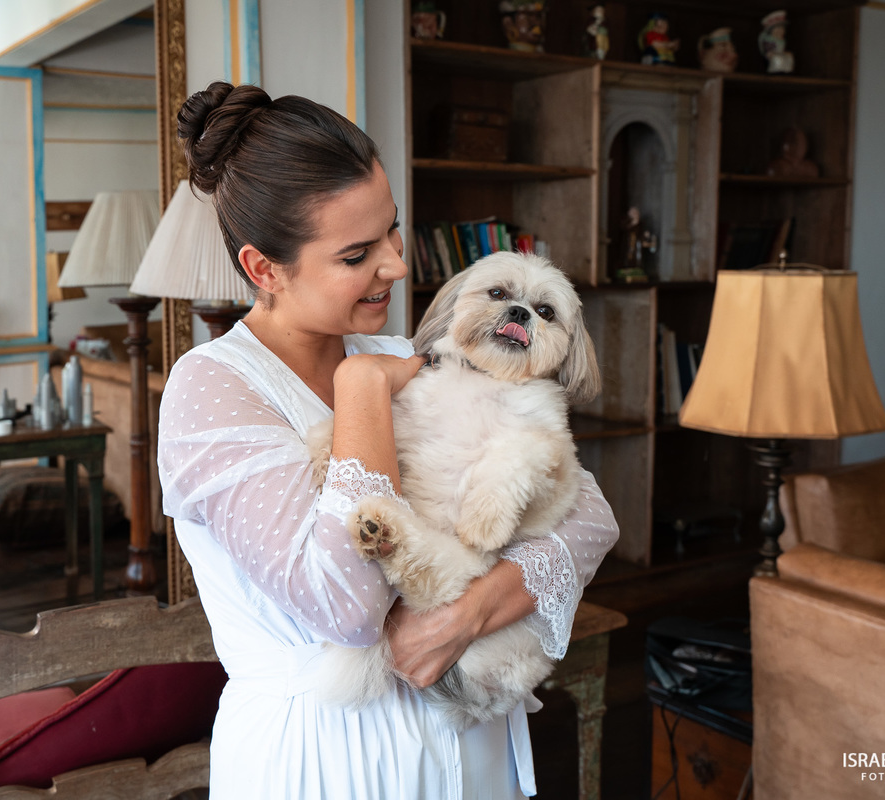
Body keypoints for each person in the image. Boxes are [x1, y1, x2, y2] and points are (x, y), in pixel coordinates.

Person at [159, 81, 619, 799]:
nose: (398, 265)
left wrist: (468, 613)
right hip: (329, 760)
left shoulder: (412, 348)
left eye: (393, 231)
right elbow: (345, 607)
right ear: (263, 269)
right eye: (356, 254)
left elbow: (590, 516)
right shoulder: (211, 391)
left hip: (470, 747)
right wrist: (363, 392)